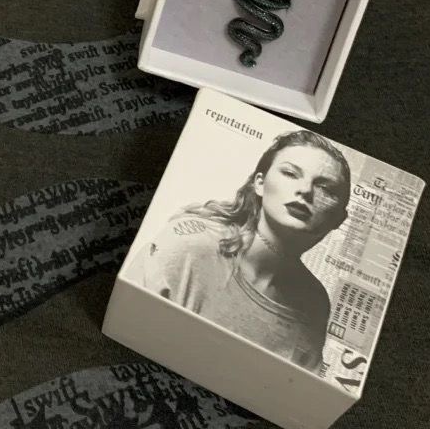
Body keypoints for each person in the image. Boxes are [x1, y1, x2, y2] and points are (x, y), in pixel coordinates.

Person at [130, 130, 351, 372]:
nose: (305, 190)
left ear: (338, 218)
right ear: (260, 183)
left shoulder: (314, 303)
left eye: (326, 188)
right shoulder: (189, 245)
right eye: (290, 173)